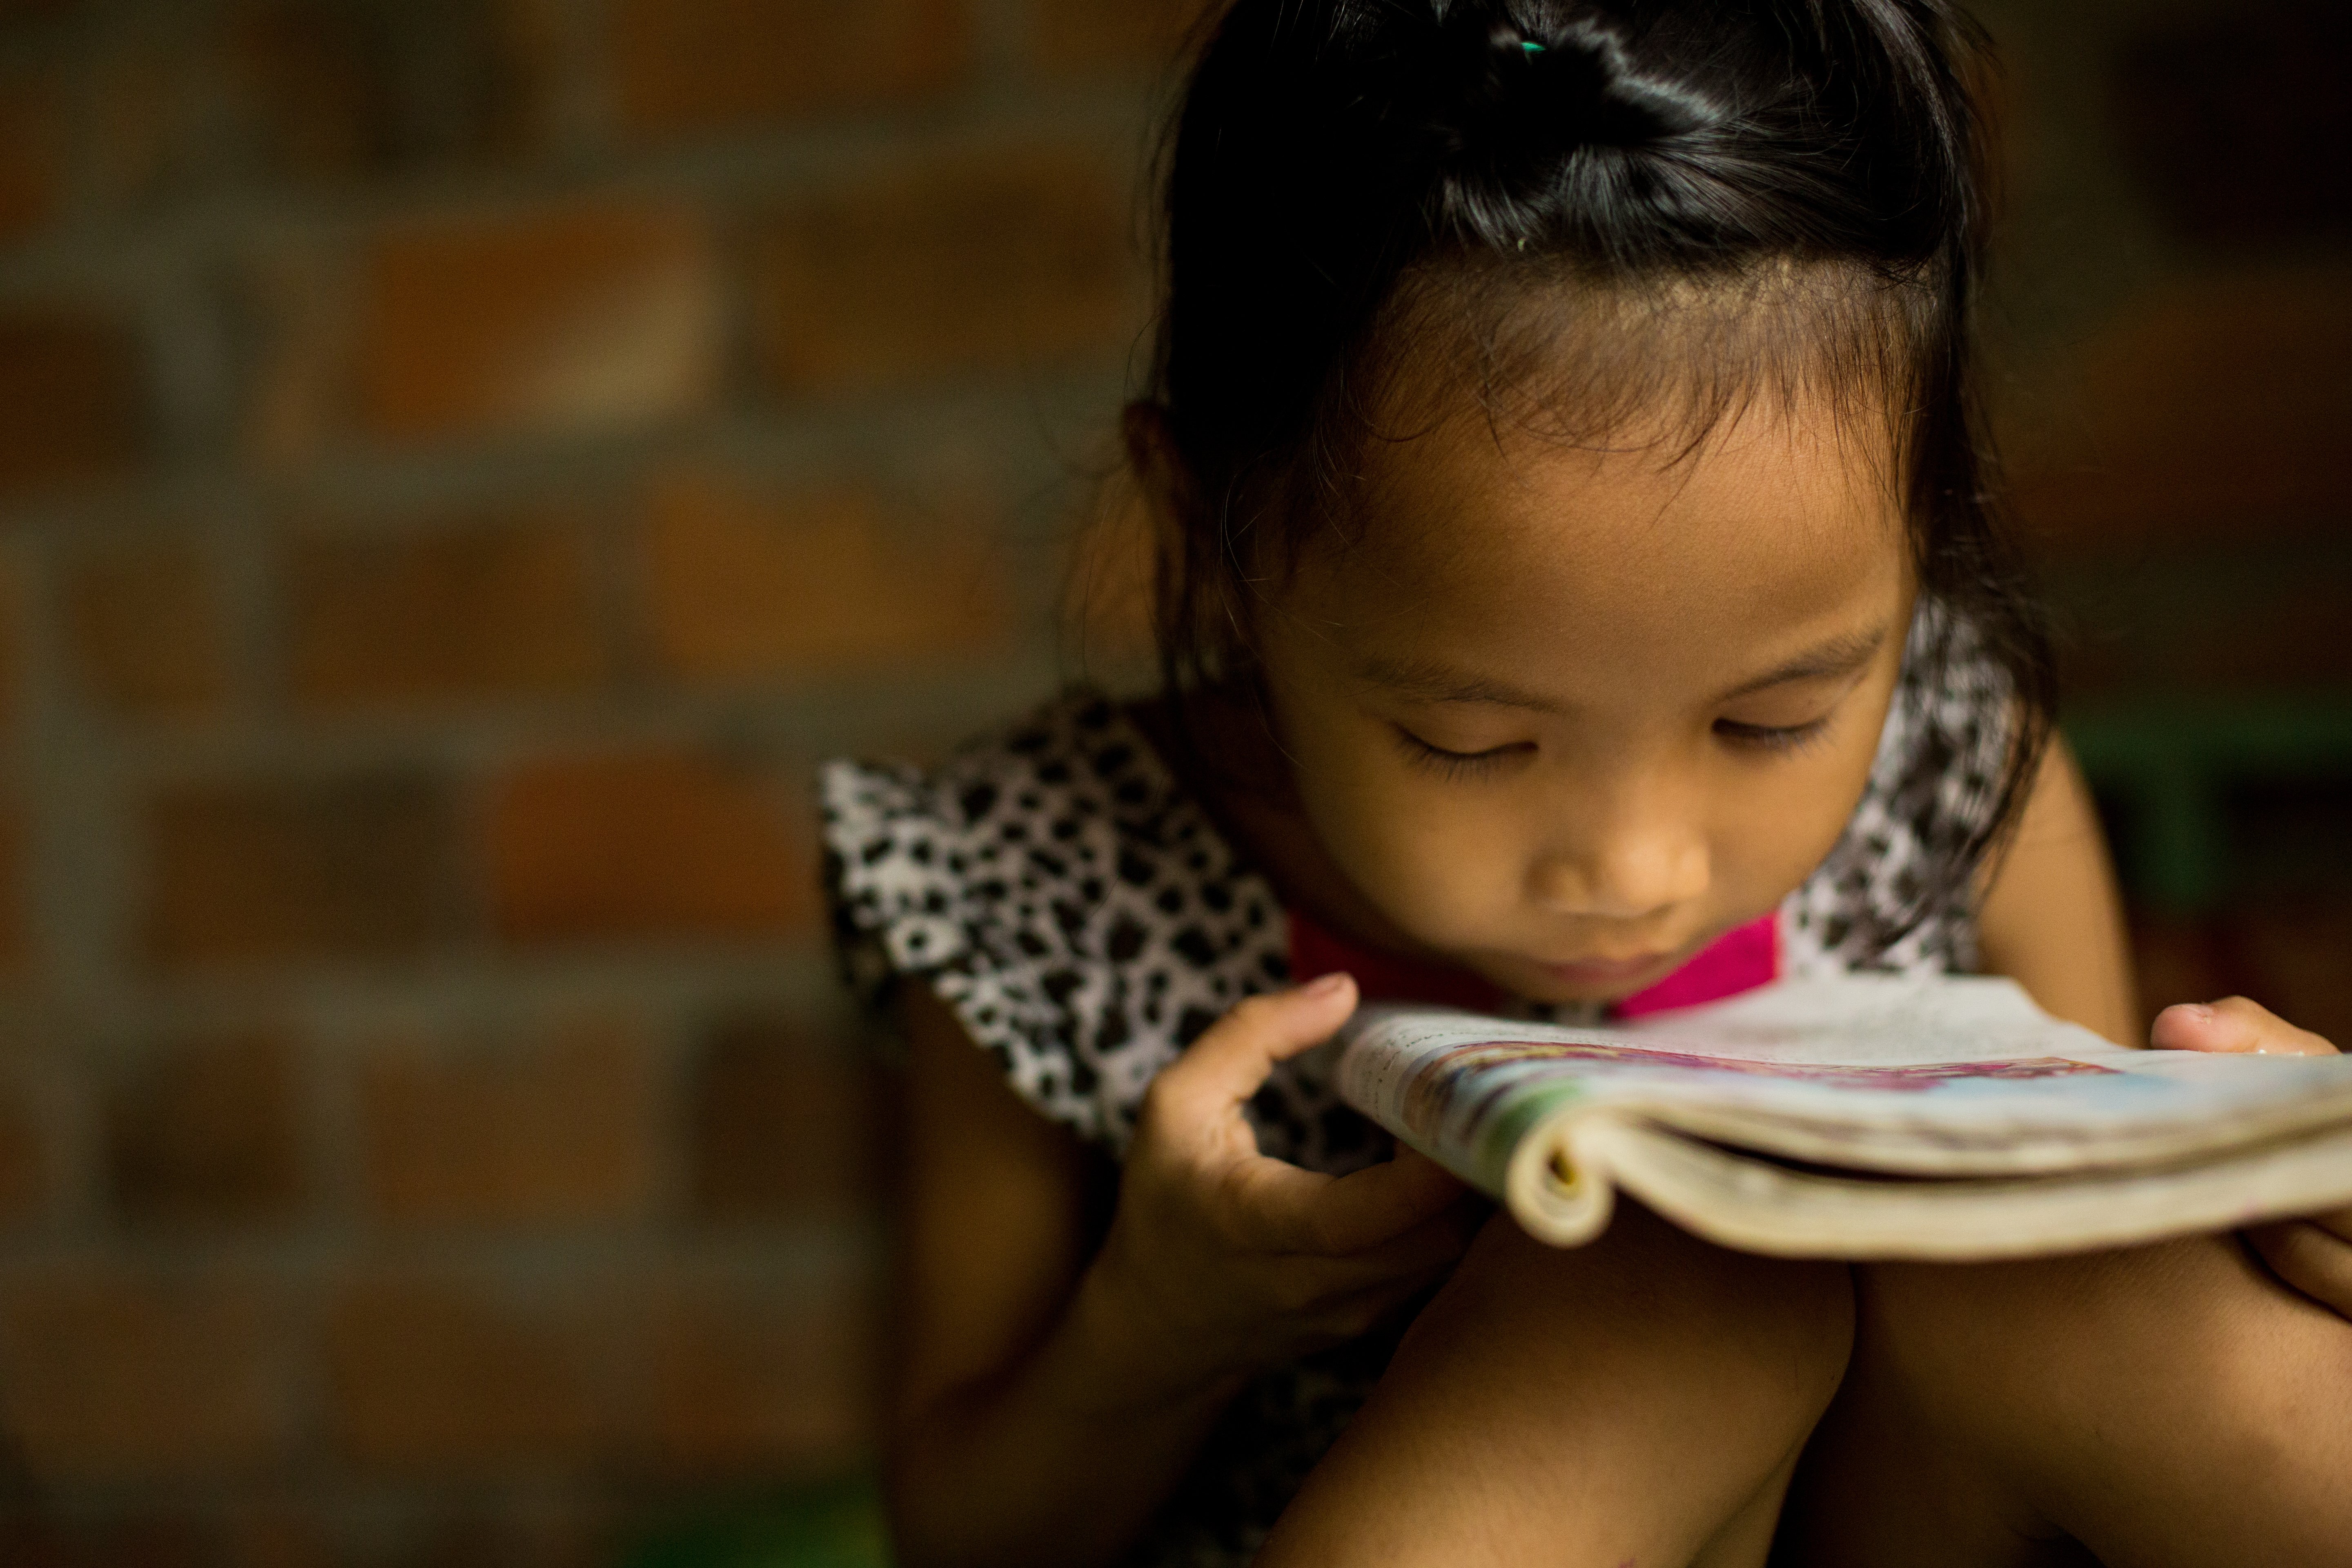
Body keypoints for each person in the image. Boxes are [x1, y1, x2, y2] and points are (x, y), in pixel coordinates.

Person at [818, 2, 2352, 1563]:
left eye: (1772, 722)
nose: (1637, 871)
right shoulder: (1053, 883)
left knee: (2091, 1282)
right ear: (1220, 554)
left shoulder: (1961, 769)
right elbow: (966, 1534)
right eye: (1471, 743)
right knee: (1655, 1283)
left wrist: (2285, 1211)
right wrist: (1159, 1324)